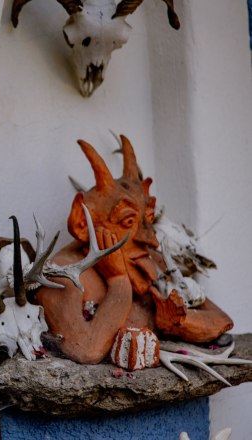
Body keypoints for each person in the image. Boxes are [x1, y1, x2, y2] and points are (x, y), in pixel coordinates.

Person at [35, 136, 233, 364]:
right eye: (128, 222)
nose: (151, 240)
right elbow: (86, 349)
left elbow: (222, 321)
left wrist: (178, 323)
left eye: (148, 219)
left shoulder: (147, 260)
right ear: (81, 221)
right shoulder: (62, 273)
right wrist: (118, 281)